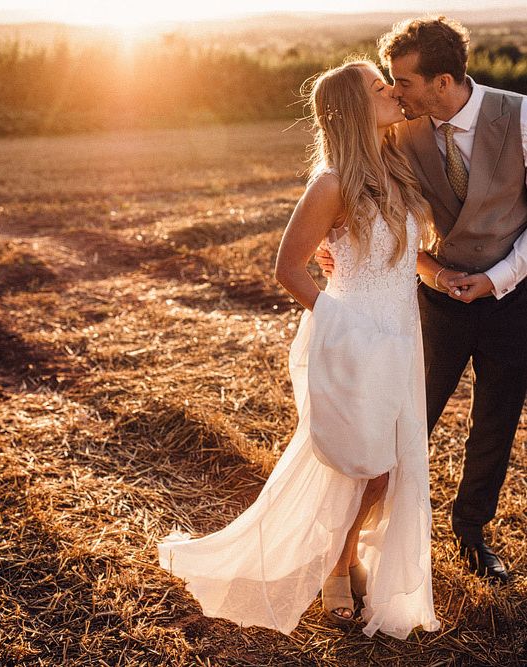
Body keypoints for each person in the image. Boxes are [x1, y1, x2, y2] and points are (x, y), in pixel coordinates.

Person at [159, 59, 441, 639]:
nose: (389, 89)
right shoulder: (332, 180)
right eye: (374, 84)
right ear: (350, 108)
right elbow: (289, 268)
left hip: (399, 334)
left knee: (387, 465)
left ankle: (344, 557)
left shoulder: (395, 166)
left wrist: (446, 277)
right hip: (353, 336)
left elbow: (400, 255)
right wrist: (341, 322)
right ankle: (338, 566)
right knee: (361, 462)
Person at [316, 17, 527, 584]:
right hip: (431, 301)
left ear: (442, 80)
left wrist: (499, 276)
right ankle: (351, 548)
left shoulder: (522, 116)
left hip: (514, 299)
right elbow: (345, 181)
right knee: (404, 422)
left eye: (403, 82)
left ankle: (471, 531)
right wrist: (330, 245)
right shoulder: (399, 131)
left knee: (495, 421)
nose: (395, 92)